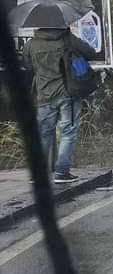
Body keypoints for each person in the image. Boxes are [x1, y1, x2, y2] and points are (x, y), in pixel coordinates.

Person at [23, 27, 96, 183]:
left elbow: (28, 67)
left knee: (43, 134)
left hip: (43, 95)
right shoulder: (67, 39)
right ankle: (62, 173)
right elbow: (90, 52)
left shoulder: (31, 44)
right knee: (68, 132)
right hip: (67, 93)